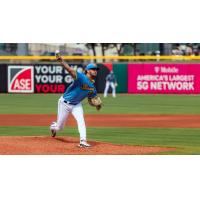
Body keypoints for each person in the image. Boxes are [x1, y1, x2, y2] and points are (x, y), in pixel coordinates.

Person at [50, 52, 101, 148]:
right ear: (87, 71)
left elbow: (93, 98)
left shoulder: (93, 88)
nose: (95, 71)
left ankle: (83, 141)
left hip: (76, 105)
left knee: (81, 121)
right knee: (59, 127)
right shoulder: (81, 77)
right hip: (64, 103)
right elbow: (69, 69)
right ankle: (53, 126)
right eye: (93, 69)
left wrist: (98, 105)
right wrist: (61, 61)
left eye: (96, 69)